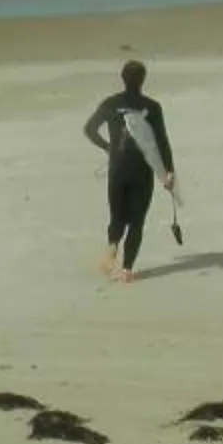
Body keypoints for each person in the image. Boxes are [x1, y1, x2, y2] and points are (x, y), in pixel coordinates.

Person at [82, 59, 178, 282]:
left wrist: (108, 147)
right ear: (143, 80)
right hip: (142, 170)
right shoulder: (152, 107)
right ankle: (126, 270)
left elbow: (89, 130)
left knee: (117, 216)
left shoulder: (110, 103)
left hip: (118, 168)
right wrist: (168, 172)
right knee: (136, 220)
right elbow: (162, 141)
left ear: (122, 78)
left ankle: (113, 246)